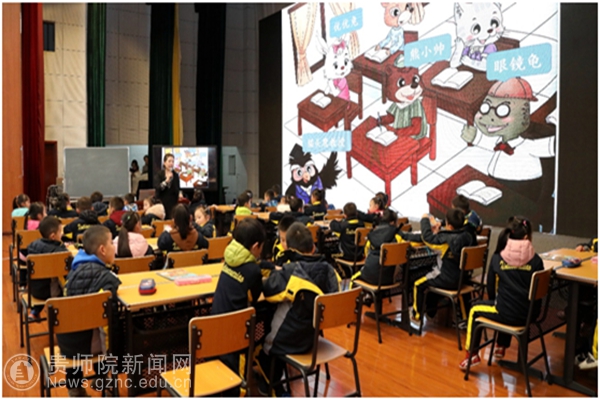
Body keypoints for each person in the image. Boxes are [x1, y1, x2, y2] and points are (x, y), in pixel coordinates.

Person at [256, 222, 339, 395]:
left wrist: (273, 273)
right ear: (313, 247)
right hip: (313, 338)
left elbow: (269, 292)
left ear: (289, 250)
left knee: (264, 323)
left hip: (288, 341)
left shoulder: (292, 272)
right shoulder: (330, 270)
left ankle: (269, 384)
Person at [459, 216, 543, 369]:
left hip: (507, 313)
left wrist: (494, 301)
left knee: (475, 310)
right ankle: (501, 345)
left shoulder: (498, 257)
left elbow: (491, 288)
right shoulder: (537, 260)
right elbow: (538, 294)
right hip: (529, 315)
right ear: (526, 237)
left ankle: (472, 355)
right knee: (511, 302)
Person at [211, 218, 274, 395]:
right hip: (236, 336)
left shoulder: (228, 258)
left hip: (213, 329)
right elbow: (256, 296)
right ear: (255, 247)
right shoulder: (253, 271)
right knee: (266, 314)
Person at [58, 225, 121, 397]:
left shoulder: (72, 274)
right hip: (90, 346)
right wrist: (113, 355)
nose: (114, 246)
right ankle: (102, 377)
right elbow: (110, 325)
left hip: (67, 345)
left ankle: (75, 387)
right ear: (102, 250)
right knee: (106, 323)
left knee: (85, 323)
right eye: (111, 243)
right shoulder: (107, 279)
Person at [412, 209, 477, 323]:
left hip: (447, 279)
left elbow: (427, 239)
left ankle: (416, 316)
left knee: (418, 284)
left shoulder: (446, 241)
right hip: (462, 278)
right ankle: (465, 319)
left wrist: (425, 219)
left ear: (449, 226)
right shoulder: (468, 236)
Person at [26, 216, 69, 321]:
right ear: (53, 236)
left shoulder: (32, 245)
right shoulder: (59, 252)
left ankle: (34, 312)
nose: (62, 234)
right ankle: (61, 316)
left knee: (45, 278)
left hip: (34, 290)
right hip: (53, 293)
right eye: (60, 232)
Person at [351, 209, 406, 285]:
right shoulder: (398, 237)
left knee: (352, 279)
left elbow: (366, 254)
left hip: (370, 276)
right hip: (389, 279)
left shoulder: (371, 235)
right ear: (393, 222)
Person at [154, 153, 180, 220]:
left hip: (172, 203)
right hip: (161, 203)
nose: (171, 163)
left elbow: (177, 190)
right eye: (169, 161)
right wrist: (166, 181)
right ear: (164, 163)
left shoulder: (175, 175)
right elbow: (158, 187)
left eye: (172, 161)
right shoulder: (159, 174)